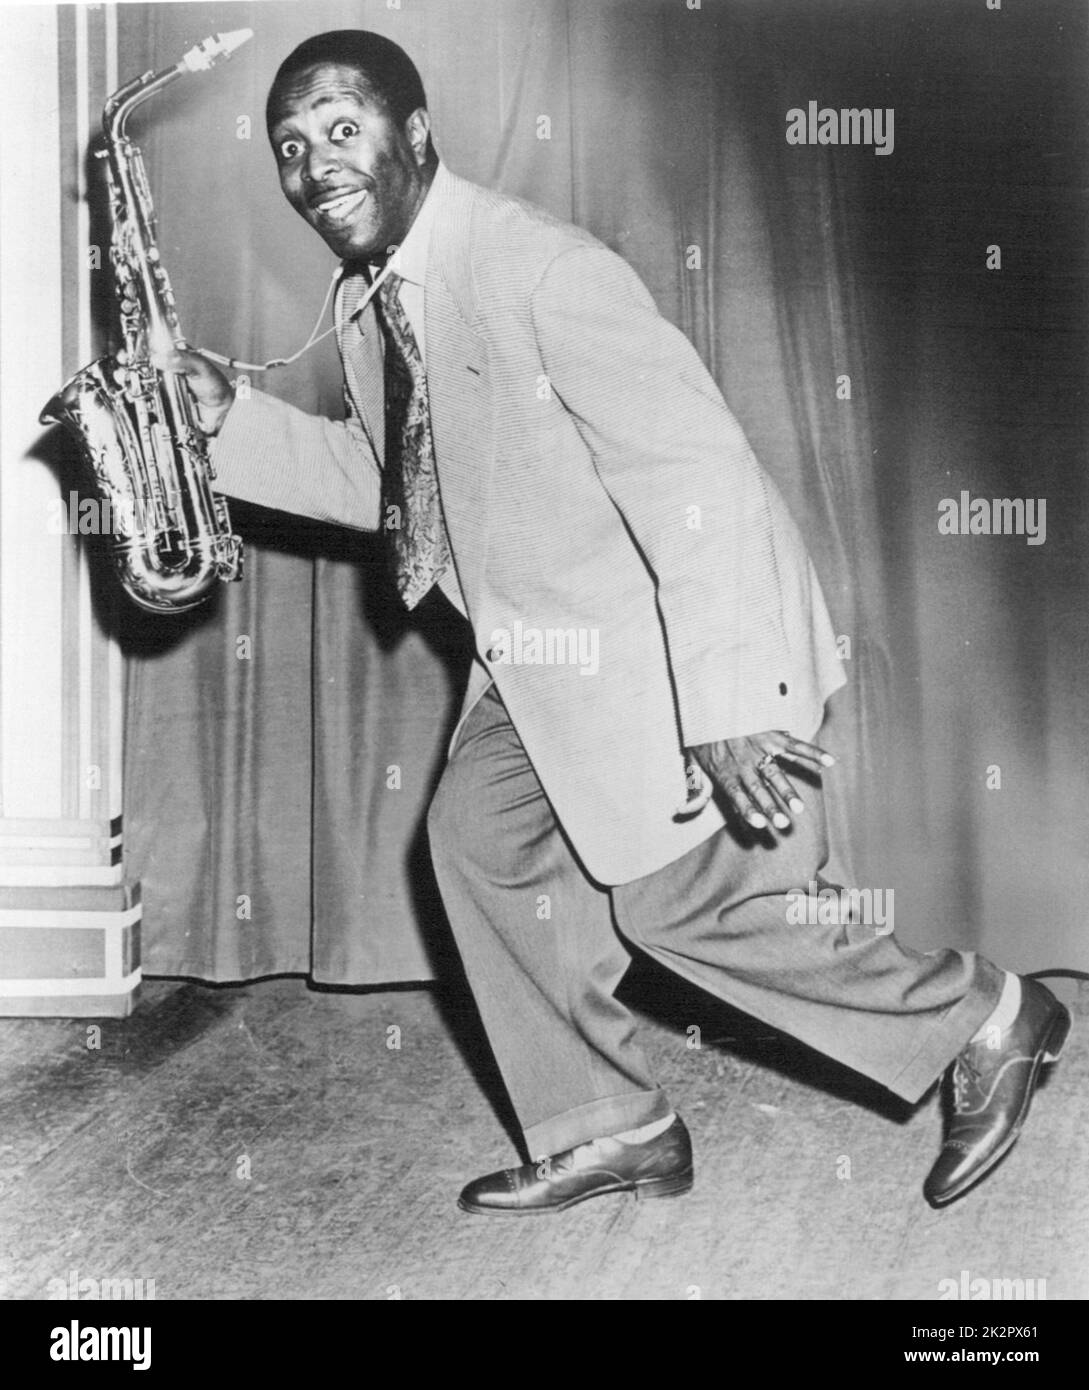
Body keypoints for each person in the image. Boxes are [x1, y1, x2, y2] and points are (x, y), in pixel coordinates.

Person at [160, 29, 1070, 1214]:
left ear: (418, 132)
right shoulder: (367, 299)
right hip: (535, 658)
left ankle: (992, 1017)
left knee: (692, 908)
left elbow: (697, 470)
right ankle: (611, 1123)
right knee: (480, 843)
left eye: (343, 128)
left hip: (663, 640)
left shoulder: (539, 270)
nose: (315, 164)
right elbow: (391, 492)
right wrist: (228, 417)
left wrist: (734, 699)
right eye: (291, 145)